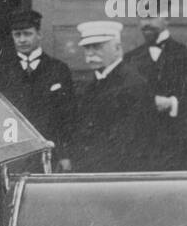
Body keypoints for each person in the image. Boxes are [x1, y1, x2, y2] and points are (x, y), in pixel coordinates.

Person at [124, 16, 187, 171]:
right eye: (142, 19)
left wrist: (172, 103)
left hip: (180, 147)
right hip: (142, 151)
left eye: (151, 17)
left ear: (167, 19)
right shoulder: (130, 58)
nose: (146, 24)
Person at [64, 20, 153, 172]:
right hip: (93, 169)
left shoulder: (133, 84)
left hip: (119, 171)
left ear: (118, 48)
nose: (90, 53)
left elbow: (130, 137)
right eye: (87, 47)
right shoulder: (92, 84)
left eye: (97, 47)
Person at [0, 8, 73, 159]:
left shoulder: (58, 69)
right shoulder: (2, 70)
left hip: (50, 151)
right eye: (17, 35)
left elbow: (67, 116)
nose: (22, 40)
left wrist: (65, 155)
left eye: (27, 34)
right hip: (15, 152)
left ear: (39, 35)